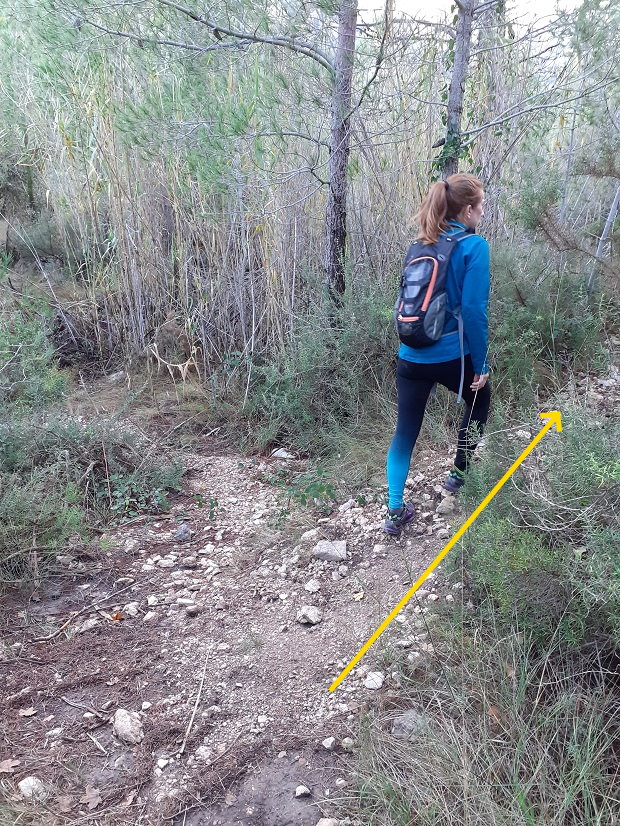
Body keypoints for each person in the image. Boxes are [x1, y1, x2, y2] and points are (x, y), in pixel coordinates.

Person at [384, 173, 491, 536]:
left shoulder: (419, 245)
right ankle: (459, 473)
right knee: (479, 400)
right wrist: (481, 363)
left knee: (405, 431)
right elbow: (474, 312)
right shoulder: (474, 247)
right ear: (467, 210)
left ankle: (394, 510)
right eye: (480, 205)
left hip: (410, 355)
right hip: (451, 356)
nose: (482, 212)